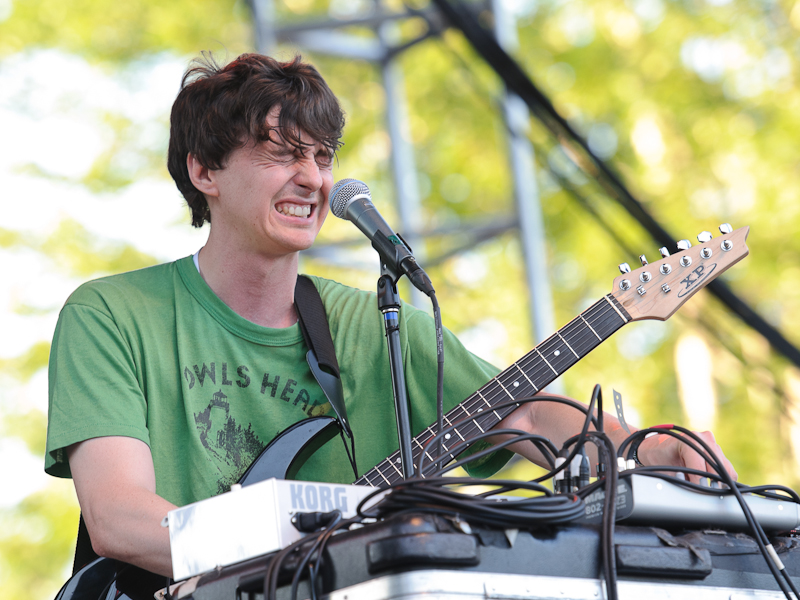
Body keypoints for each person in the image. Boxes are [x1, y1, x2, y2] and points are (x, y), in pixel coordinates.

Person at [45, 52, 735, 580]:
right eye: (281, 153)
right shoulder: (112, 315)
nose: (313, 179)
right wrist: (298, 550)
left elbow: (522, 415)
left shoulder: (371, 321)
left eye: (321, 156)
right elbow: (120, 518)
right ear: (205, 173)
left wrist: (648, 451)